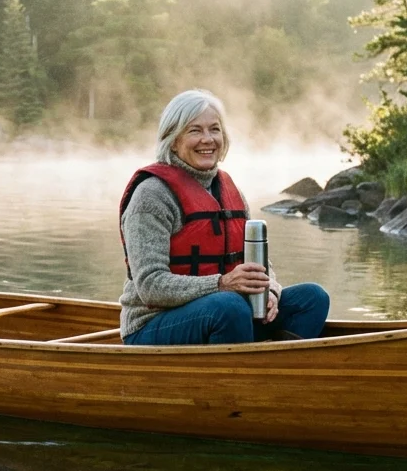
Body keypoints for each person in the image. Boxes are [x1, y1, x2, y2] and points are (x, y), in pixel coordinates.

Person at [119, 89, 329, 345]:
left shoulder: (230, 190)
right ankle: (237, 377)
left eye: (214, 129)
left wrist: (270, 291)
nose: (207, 139)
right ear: (173, 140)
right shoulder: (151, 196)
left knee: (313, 298)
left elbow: (261, 265)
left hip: (227, 312)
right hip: (155, 323)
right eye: (195, 130)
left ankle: (275, 370)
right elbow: (151, 286)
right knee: (229, 306)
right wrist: (221, 283)